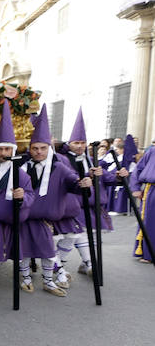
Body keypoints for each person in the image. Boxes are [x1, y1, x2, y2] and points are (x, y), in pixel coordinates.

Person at [20, 107, 90, 295]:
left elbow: (73, 184)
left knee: (48, 251)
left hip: (46, 219)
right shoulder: (22, 167)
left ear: (49, 148)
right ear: (30, 149)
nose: (39, 152)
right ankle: (25, 278)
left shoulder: (60, 168)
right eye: (35, 148)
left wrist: (82, 184)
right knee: (25, 251)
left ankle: (48, 281)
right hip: (25, 218)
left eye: (43, 148)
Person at [0, 101, 37, 300]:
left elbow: (30, 195)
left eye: (7, 150)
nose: (3, 153)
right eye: (0, 149)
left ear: (13, 150)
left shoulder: (20, 174)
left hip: (0, 223)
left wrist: (23, 197)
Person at [58, 110, 128, 276]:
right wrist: (88, 176)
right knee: (76, 235)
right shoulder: (63, 159)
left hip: (92, 204)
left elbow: (105, 177)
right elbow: (68, 179)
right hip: (73, 204)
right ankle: (65, 265)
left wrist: (117, 176)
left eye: (83, 142)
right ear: (70, 143)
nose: (80, 146)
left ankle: (84, 264)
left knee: (91, 235)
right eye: (76, 142)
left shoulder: (90, 158)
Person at [131, 134, 155, 263]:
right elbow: (138, 169)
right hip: (153, 191)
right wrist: (135, 187)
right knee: (150, 223)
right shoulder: (152, 151)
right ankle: (149, 253)